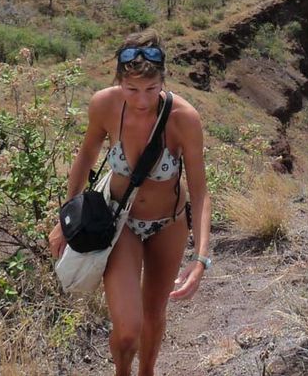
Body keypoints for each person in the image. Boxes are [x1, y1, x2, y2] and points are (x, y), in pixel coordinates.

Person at [49, 29, 212, 376]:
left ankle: (147, 372)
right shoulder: (104, 105)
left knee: (154, 314)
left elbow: (200, 192)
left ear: (163, 81)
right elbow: (85, 159)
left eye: (151, 90)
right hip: (121, 223)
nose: (141, 99)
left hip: (168, 223)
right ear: (118, 80)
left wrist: (200, 259)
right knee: (126, 332)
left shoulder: (184, 118)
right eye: (132, 89)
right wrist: (64, 220)